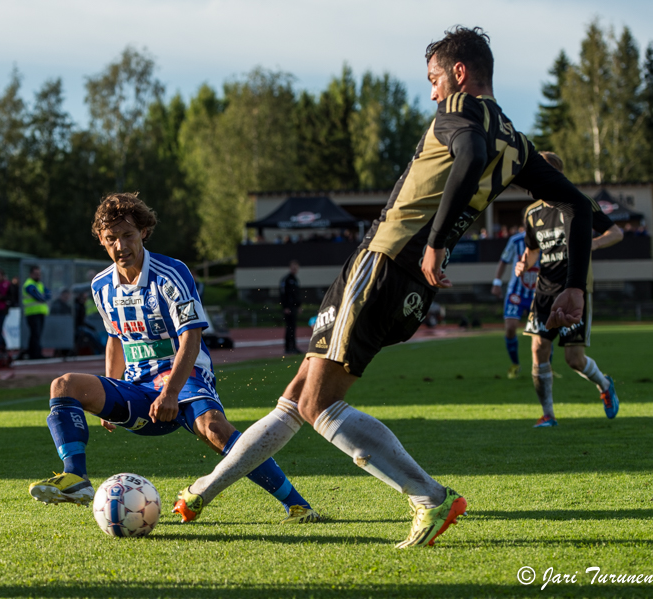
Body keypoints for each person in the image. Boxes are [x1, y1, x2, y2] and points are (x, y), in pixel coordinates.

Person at [171, 26, 596, 548]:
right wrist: (574, 286)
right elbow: (579, 205)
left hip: (386, 261)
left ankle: (428, 496)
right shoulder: (516, 141)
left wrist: (436, 241)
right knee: (298, 395)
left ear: (459, 73)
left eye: (435, 78)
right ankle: (203, 492)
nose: (433, 91)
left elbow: (468, 152)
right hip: (394, 275)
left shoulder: (462, 111)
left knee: (317, 405)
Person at [28, 193, 319, 524]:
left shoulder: (171, 273)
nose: (120, 245)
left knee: (215, 430)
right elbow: (114, 339)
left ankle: (297, 505)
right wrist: (111, 384)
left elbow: (191, 337)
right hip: (137, 388)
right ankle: (75, 478)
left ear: (144, 233)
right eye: (111, 239)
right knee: (64, 386)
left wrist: (170, 392)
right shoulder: (101, 285)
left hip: (184, 377)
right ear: (101, 241)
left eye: (128, 235)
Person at [515, 151, 623, 428]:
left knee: (574, 359)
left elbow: (616, 233)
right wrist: (522, 265)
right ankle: (548, 414)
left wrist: (593, 244)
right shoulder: (532, 212)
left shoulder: (578, 202)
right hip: (544, 290)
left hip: (575, 288)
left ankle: (604, 384)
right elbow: (531, 251)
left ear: (557, 175)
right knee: (538, 348)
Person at [491, 214, 539, 378]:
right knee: (510, 328)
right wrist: (497, 282)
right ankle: (515, 364)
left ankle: (544, 367)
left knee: (542, 334)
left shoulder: (545, 241)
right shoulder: (516, 241)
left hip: (538, 293)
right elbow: (503, 261)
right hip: (516, 293)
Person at [22, 265, 50, 360]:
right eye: (36, 274)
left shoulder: (40, 284)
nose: (38, 276)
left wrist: (43, 296)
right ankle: (34, 354)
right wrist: (43, 297)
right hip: (32, 313)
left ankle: (35, 353)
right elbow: (39, 296)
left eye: (39, 274)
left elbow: (48, 294)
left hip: (40, 313)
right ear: (31, 274)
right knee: (35, 334)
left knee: (37, 334)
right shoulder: (29, 284)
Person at [279, 260, 302, 354]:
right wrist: (285, 307)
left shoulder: (295, 280)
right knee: (289, 327)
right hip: (289, 307)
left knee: (293, 327)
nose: (294, 269)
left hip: (294, 307)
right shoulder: (286, 279)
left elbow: (297, 295)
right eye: (293, 267)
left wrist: (299, 306)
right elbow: (283, 294)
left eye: (296, 267)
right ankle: (289, 347)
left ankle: (293, 346)